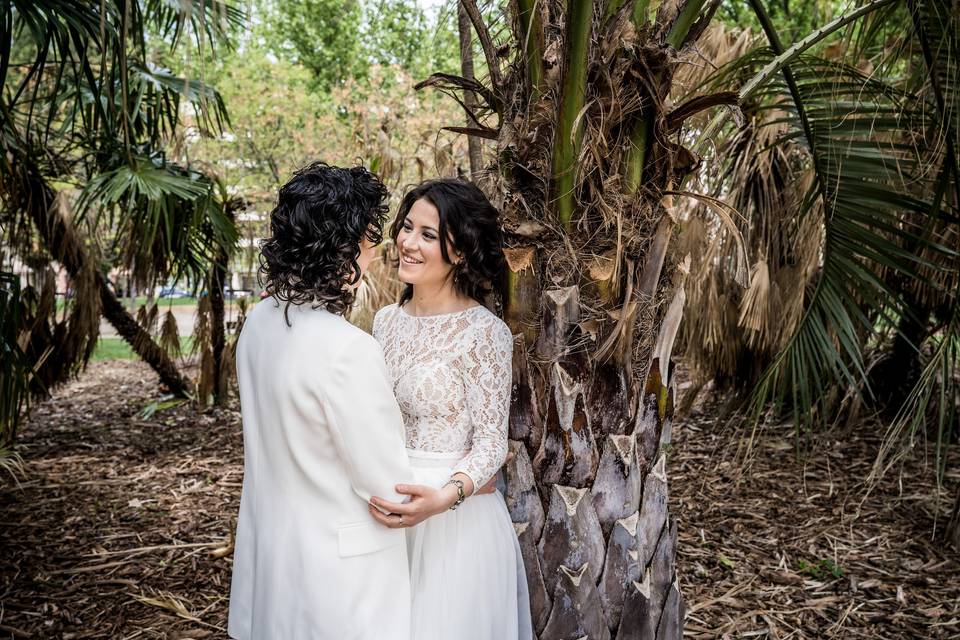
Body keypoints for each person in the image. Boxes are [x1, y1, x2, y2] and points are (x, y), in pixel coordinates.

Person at [228, 162, 463, 640]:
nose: (376, 252)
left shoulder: (257, 323)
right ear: (345, 250)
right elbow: (387, 486)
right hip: (338, 588)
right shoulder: (347, 350)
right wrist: (459, 480)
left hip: (270, 568)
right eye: (368, 240)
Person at [368, 179, 533, 640]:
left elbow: (490, 445)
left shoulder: (485, 333)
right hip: (391, 516)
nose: (408, 243)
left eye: (427, 234)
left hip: (456, 526)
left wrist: (443, 498)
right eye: (406, 228)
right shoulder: (385, 322)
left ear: (459, 252)